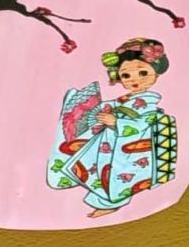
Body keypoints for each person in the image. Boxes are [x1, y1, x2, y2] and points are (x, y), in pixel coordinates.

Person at [46, 38, 178, 218]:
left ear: (156, 73)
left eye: (142, 72)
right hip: (110, 143)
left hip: (131, 148)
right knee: (98, 170)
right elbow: (109, 106)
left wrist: (117, 123)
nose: (134, 79)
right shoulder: (124, 100)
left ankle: (111, 203)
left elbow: (142, 123)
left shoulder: (149, 102)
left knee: (118, 176)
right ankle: (100, 199)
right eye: (126, 75)